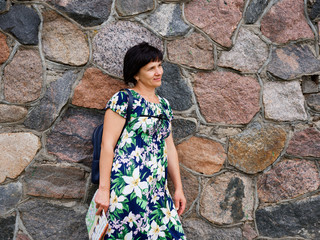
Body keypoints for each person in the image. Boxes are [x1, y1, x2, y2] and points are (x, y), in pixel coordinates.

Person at [93, 42, 187, 239]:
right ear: (136, 74)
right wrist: (104, 190)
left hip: (157, 191)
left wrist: (178, 188)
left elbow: (169, 147)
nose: (158, 71)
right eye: (151, 68)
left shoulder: (164, 106)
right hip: (128, 188)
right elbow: (107, 145)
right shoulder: (123, 99)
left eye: (159, 65)